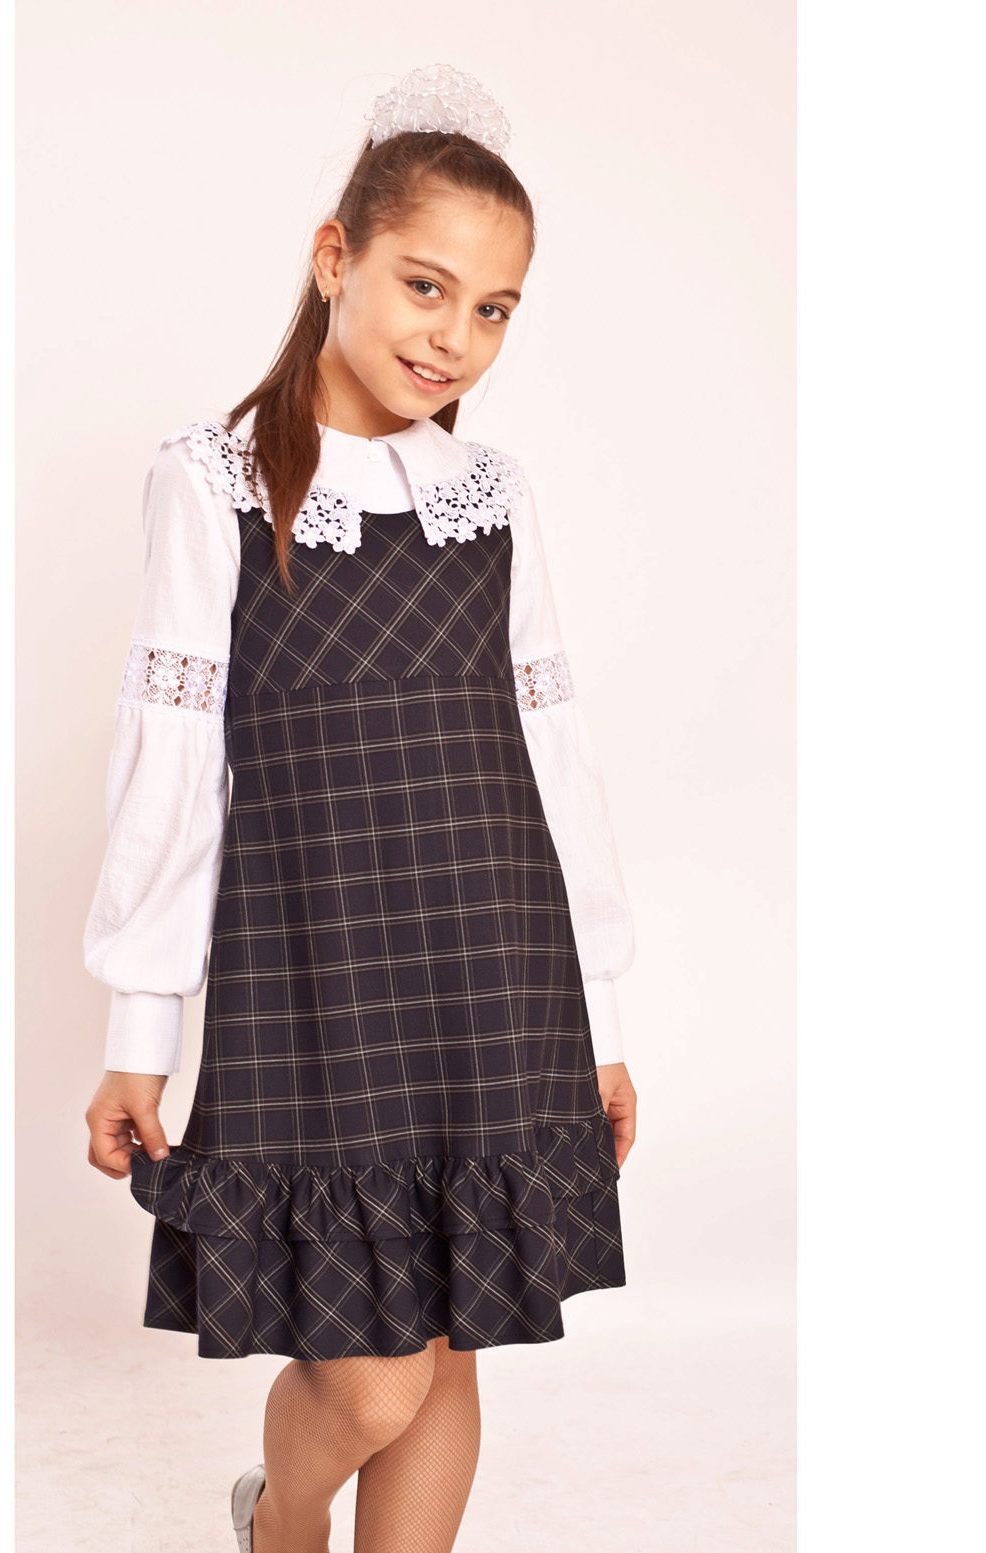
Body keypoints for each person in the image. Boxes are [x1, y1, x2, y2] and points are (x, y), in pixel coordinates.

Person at [82, 62, 638, 1553]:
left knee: (451, 1344)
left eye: (495, 308)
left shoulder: (493, 496)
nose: (456, 336)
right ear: (336, 258)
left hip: (493, 975)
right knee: (374, 1372)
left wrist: (596, 1022)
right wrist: (142, 1028)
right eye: (425, 285)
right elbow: (172, 759)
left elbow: (550, 756)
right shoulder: (216, 482)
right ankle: (281, 1522)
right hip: (318, 981)